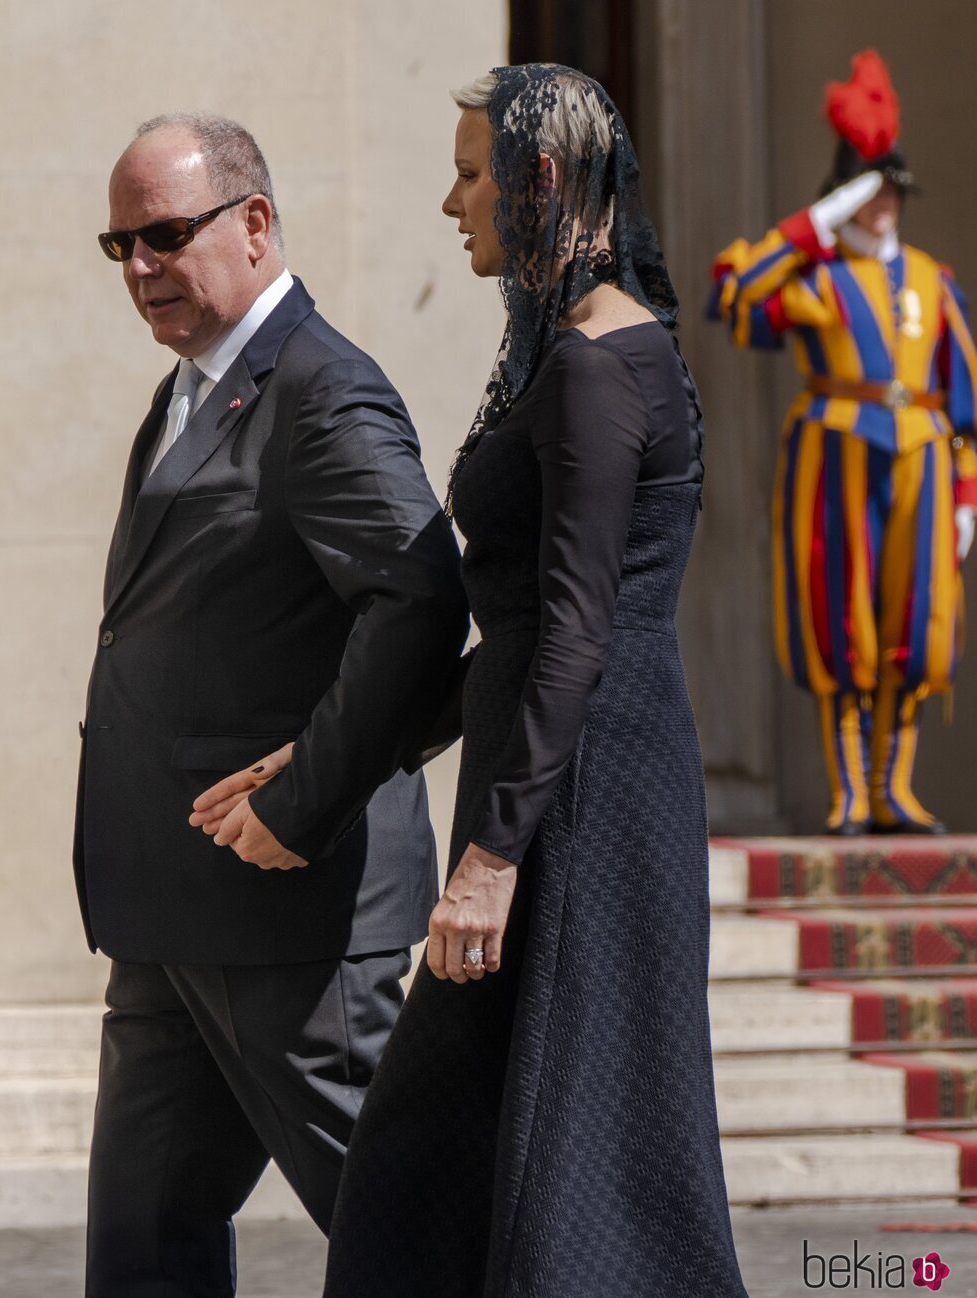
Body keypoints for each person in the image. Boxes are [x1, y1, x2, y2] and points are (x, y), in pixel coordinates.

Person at [316, 63, 747, 1297]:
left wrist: (491, 859)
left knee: (579, 1167)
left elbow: (575, 626)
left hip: (581, 810)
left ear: (538, 177)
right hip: (551, 782)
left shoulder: (599, 366)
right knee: (446, 1156)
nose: (452, 205)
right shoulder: (571, 350)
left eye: (468, 175)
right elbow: (514, 630)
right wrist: (343, 754)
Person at [75, 112, 467, 1296]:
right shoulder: (191, 388)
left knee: (413, 1234)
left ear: (253, 222)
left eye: (165, 234)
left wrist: (301, 801)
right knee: (142, 1251)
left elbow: (416, 601)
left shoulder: (322, 387)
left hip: (289, 919)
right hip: (165, 914)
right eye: (120, 245)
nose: (141, 266)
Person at [710, 50, 977, 834]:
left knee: (917, 622)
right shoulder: (816, 277)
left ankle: (896, 788)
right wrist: (813, 227)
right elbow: (735, 295)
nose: (884, 204)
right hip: (834, 455)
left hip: (924, 457)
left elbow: (965, 400)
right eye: (868, 190)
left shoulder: (935, 279)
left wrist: (966, 493)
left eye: (891, 189)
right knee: (841, 616)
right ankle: (852, 792)